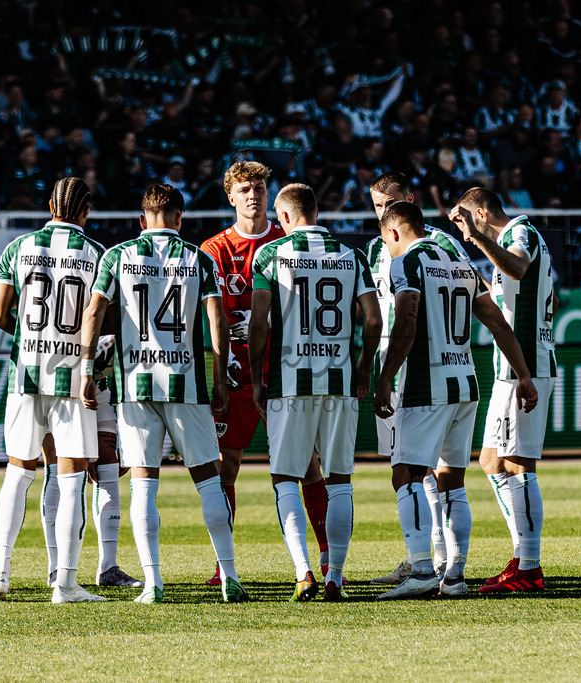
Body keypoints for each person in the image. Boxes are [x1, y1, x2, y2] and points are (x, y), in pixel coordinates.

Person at [79, 184, 250, 605]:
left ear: (142, 220)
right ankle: (229, 575)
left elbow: (94, 312)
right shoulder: (199, 257)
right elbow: (217, 321)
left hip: (135, 386)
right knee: (209, 480)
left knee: (143, 484)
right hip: (186, 384)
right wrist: (217, 379)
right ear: (179, 218)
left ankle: (154, 583)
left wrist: (85, 369)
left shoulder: (117, 256)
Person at [373, 201, 537, 600]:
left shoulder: (405, 263)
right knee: (452, 482)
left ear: (394, 233)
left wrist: (384, 378)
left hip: (426, 386)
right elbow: (497, 321)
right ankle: (455, 577)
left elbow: (407, 323)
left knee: (407, 473)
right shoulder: (459, 262)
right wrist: (523, 374)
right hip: (465, 384)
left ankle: (423, 568)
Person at [199, 160, 333, 586]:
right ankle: (225, 563)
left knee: (307, 466)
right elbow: (213, 314)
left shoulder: (285, 240)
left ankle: (328, 556)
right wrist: (220, 371)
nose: (253, 195)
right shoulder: (214, 249)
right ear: (231, 197)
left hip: (284, 371)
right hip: (236, 373)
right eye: (244, 189)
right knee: (226, 465)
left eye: (259, 187)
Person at [247, 183, 381, 601]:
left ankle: (303, 571)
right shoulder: (352, 256)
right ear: (317, 212)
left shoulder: (270, 255)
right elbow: (374, 320)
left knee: (286, 476)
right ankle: (336, 576)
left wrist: (255, 379)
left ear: (283, 217)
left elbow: (259, 323)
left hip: (290, 384)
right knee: (339, 480)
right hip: (340, 383)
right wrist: (363, 367)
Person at [0, 177, 108, 604]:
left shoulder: (17, 248)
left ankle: (0, 575)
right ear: (85, 212)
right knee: (71, 482)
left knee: (17, 475)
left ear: (50, 204)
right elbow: (102, 322)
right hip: (73, 379)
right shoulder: (97, 255)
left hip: (26, 375)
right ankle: (66, 583)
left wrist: (29, 337)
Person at [363, 172, 476, 586]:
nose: (382, 212)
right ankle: (426, 561)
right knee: (408, 465)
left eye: (388, 203)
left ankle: (434, 560)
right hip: (392, 361)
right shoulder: (378, 246)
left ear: (409, 201)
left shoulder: (438, 244)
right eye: (376, 206)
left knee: (417, 469)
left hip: (420, 369)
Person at [449, 188, 556, 593]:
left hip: (523, 367)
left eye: (468, 222)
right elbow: (552, 297)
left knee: (516, 463)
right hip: (512, 366)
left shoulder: (519, 233)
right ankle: (522, 555)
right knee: (492, 461)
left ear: (480, 213)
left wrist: (477, 237)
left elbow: (519, 269)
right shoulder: (515, 239)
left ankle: (529, 567)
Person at [37, 335, 143, 589]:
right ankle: (55, 568)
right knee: (57, 469)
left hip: (98, 384)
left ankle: (109, 567)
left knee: (109, 468)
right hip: (56, 381)